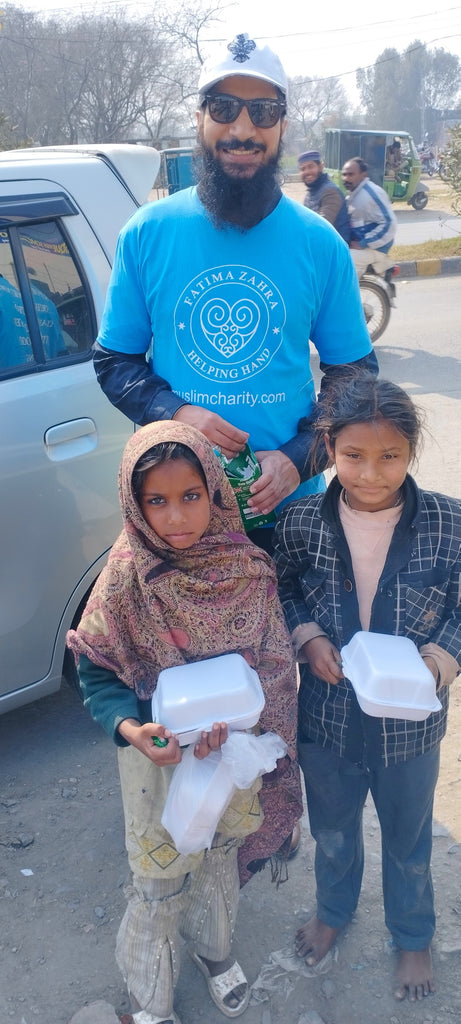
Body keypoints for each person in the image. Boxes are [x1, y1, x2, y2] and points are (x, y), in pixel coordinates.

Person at [92, 32, 377, 551]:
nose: (242, 129)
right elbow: (115, 362)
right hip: (177, 520)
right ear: (199, 119)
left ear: (283, 126)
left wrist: (298, 459)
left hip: (290, 518)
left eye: (263, 112)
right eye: (223, 108)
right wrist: (178, 413)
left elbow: (354, 375)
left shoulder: (319, 244)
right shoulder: (147, 233)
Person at [66, 419, 303, 1024]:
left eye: (191, 496)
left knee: (219, 853)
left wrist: (247, 727)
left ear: (216, 491)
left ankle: (214, 952)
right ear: (134, 502)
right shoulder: (125, 579)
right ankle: (151, 998)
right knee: (159, 877)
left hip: (232, 752)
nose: (176, 517)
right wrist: (132, 730)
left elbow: (275, 665)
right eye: (157, 501)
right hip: (158, 763)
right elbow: (97, 670)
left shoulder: (246, 569)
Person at [273, 373, 461, 1002]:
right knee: (332, 830)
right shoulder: (301, 520)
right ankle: (333, 912)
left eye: (390, 456)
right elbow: (284, 585)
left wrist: (440, 661)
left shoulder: (448, 524)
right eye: (353, 455)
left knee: (408, 837)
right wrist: (306, 636)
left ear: (411, 452)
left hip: (411, 726)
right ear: (328, 447)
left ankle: (413, 936)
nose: (372, 474)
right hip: (327, 717)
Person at [342, 157, 397, 279]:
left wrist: (363, 242)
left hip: (376, 248)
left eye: (351, 174)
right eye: (344, 175)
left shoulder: (372, 193)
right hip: (362, 245)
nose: (346, 178)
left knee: (344, 261)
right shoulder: (352, 195)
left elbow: (389, 223)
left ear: (363, 175)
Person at [298, 149, 351, 242]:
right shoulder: (311, 192)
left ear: (320, 167)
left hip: (334, 246)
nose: (306, 172)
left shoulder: (330, 192)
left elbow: (321, 227)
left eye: (310, 166)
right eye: (303, 169)